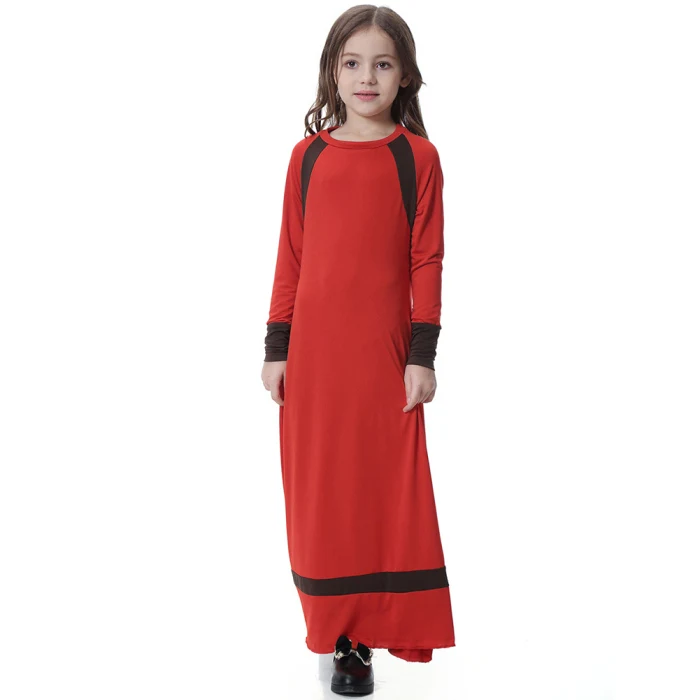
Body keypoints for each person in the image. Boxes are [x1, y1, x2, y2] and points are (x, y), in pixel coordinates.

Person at [260, 4, 455, 694]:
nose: (366, 77)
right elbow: (291, 255)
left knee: (381, 487)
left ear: (404, 76)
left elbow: (427, 259)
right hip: (315, 357)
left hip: (383, 357)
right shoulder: (307, 157)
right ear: (332, 72)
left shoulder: (417, 159)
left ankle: (368, 632)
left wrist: (422, 353)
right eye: (352, 63)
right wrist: (277, 344)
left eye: (382, 63)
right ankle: (337, 630)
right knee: (323, 491)